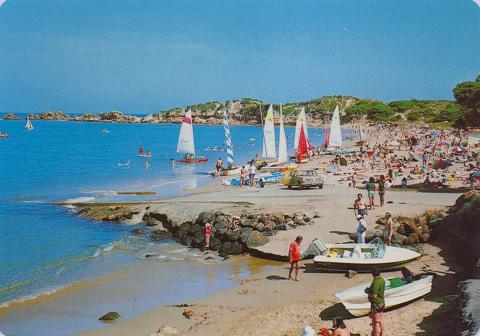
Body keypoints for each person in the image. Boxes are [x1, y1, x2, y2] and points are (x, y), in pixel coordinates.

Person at [365, 268, 385, 336]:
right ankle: (381, 334)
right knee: (381, 320)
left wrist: (367, 292)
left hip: (376, 303)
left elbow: (374, 295)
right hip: (381, 302)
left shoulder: (376, 282)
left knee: (375, 322)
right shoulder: (382, 280)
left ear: (372, 274)